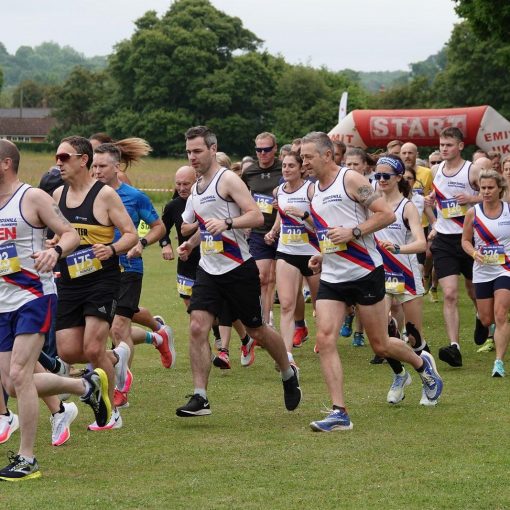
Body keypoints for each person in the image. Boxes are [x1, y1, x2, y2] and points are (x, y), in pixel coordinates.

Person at [299, 132, 442, 432]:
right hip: (333, 278)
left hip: (365, 272)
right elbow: (329, 232)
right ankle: (340, 412)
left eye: (308, 156)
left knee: (380, 344)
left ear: (327, 155)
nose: (304, 162)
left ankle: (422, 366)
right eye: (302, 157)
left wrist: (354, 231)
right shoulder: (312, 191)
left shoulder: (350, 180)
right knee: (325, 339)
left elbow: (386, 214)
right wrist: (322, 255)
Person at [0, 139, 111, 481]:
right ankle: (85, 386)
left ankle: (27, 458)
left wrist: (56, 251)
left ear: (5, 163)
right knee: (13, 383)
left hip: (34, 296)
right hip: (2, 302)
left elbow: (69, 234)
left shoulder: (31, 197)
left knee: (20, 374)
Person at [176, 126, 301, 417]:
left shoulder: (228, 179)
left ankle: (287, 372)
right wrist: (191, 244)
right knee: (197, 327)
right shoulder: (196, 187)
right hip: (209, 268)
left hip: (237, 267)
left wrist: (229, 224)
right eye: (188, 152)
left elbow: (256, 215)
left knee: (257, 330)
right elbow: (207, 226)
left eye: (197, 151)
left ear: (212, 148)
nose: (192, 157)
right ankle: (200, 396)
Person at [52, 136, 139, 430]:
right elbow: (58, 235)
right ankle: (117, 356)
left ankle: (113, 413)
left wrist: (112, 249)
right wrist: (54, 243)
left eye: (65, 157)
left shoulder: (104, 196)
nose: (59, 162)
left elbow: (131, 234)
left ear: (83, 159)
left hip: (102, 279)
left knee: (91, 347)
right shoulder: (57, 196)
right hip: (69, 280)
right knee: (66, 350)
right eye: (57, 157)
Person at [92, 143, 171, 409]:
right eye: (94, 165)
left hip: (128, 268)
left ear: (116, 167)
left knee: (118, 328)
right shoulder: (86, 196)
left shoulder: (135, 197)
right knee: (98, 331)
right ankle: (157, 337)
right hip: (95, 272)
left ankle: (121, 387)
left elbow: (158, 226)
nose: (97, 171)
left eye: (102, 166)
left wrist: (142, 243)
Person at [373, 156, 434, 405]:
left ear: (398, 177)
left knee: (414, 337)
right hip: (379, 274)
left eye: (386, 176)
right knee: (380, 335)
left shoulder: (407, 206)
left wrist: (398, 248)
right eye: (377, 176)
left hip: (406, 274)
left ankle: (430, 382)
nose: (381, 181)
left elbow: (421, 242)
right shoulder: (372, 204)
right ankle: (400, 375)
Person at [425, 127, 483, 367]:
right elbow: (431, 200)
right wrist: (433, 218)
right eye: (441, 145)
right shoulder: (435, 170)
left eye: (448, 145)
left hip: (470, 238)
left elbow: (495, 194)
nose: (443, 149)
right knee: (449, 293)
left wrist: (472, 199)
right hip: (445, 241)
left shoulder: (473, 170)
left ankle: (482, 316)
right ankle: (454, 347)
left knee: (473, 292)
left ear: (460, 146)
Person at [264, 151, 320, 365]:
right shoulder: (279, 191)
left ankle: (323, 339)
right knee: (287, 304)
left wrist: (304, 215)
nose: (286, 169)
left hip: (312, 253)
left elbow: (322, 223)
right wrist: (273, 230)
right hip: (286, 252)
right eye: (284, 166)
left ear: (301, 169)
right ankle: (286, 356)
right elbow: (282, 214)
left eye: (291, 166)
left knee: (319, 306)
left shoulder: (311, 190)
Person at [462, 170, 510, 377]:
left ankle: (498, 362)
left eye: (491, 187)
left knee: (501, 315)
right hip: (482, 270)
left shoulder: (508, 210)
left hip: (505, 268)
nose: (487, 192)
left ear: (500, 188)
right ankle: (480, 319)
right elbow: (464, 240)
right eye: (483, 188)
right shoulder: (473, 213)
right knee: (486, 319)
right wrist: (473, 252)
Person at [242, 132, 282, 324]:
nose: (263, 153)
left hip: (284, 230)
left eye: (267, 149)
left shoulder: (285, 168)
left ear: (275, 148)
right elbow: (240, 196)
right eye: (259, 150)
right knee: (262, 277)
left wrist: (283, 201)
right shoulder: (249, 172)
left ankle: (299, 322)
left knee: (279, 280)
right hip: (259, 230)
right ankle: (265, 321)